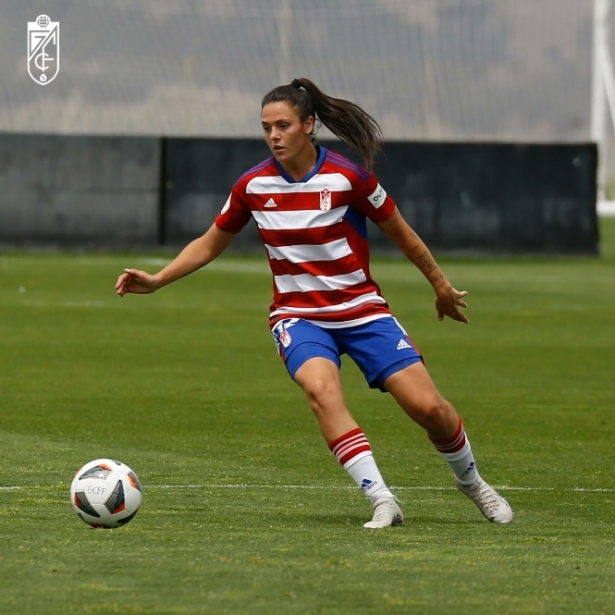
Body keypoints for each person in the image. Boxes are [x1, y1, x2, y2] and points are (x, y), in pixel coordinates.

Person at [115, 77, 513, 528]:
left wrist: (440, 285)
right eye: (266, 128)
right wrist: (159, 279)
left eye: (282, 125)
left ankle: (472, 483)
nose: (273, 136)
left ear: (308, 125)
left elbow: (401, 232)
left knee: (430, 410)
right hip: (298, 317)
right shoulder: (252, 185)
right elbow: (210, 242)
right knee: (322, 393)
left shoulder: (349, 177)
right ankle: (382, 499)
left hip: (362, 311)